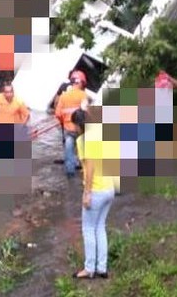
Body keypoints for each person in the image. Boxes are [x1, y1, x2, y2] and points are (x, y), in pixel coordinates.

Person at [71, 107, 115, 280]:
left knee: (88, 229)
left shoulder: (83, 140)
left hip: (96, 189)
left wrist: (87, 192)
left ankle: (89, 269)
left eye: (74, 125)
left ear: (78, 125)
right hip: (109, 188)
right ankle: (102, 268)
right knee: (100, 227)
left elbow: (89, 167)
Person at [55, 70, 88, 178]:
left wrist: (63, 121)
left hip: (68, 129)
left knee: (69, 150)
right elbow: (85, 113)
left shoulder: (64, 96)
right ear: (81, 82)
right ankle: (85, 171)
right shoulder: (83, 95)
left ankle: (70, 172)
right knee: (82, 149)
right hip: (80, 129)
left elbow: (58, 113)